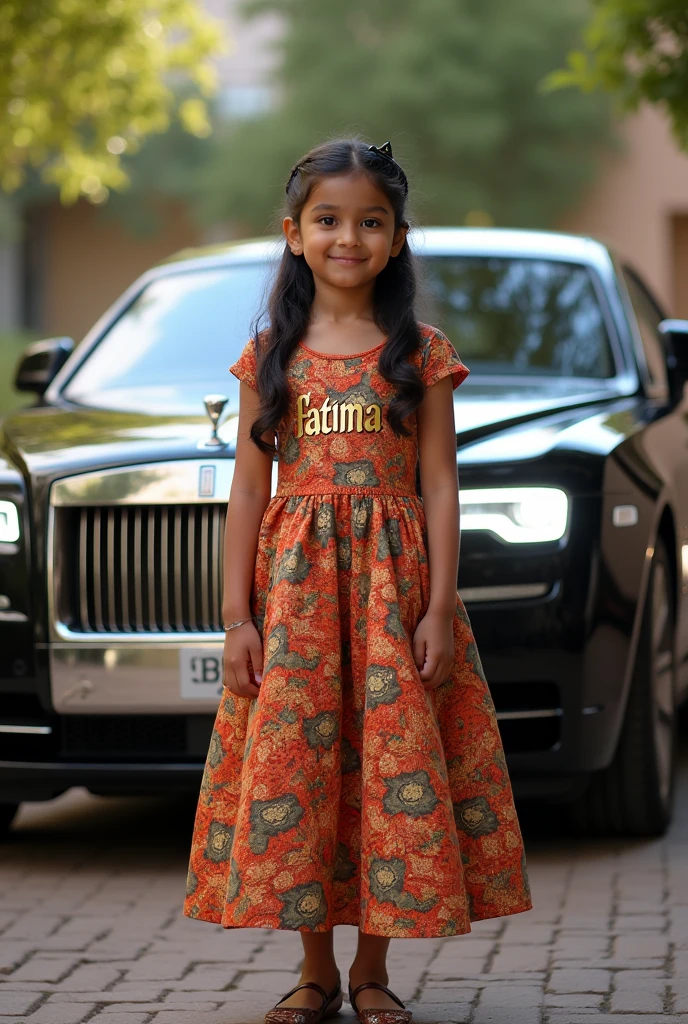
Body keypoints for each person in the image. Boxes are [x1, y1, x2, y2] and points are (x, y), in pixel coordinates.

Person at [183, 137, 532, 1024]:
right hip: (296, 606)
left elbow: (442, 482)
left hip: (392, 596)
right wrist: (236, 616)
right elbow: (247, 491)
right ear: (294, 234)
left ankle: (372, 969)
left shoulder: (421, 352)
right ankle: (315, 971)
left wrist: (443, 605)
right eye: (328, 220)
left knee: (388, 771)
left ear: (398, 236)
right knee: (302, 775)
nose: (349, 237)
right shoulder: (273, 353)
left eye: (370, 221)